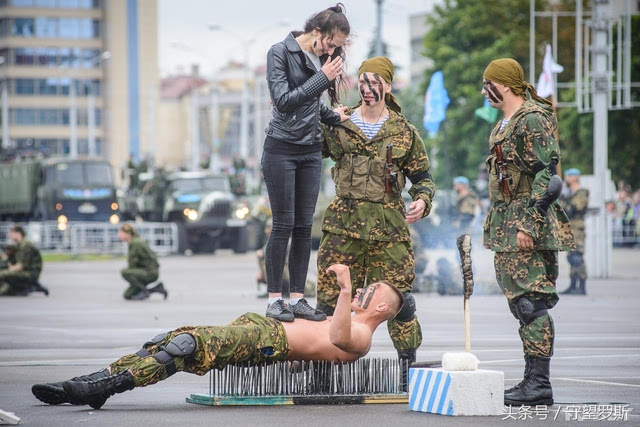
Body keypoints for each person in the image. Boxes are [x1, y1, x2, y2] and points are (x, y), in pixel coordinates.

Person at [31, 264, 404, 410]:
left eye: (369, 292)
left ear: (382, 309)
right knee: (174, 344)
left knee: (188, 343)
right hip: (261, 329)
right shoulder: (351, 319)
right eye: (361, 288)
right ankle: (93, 382)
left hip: (267, 340)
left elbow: (338, 338)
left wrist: (343, 290)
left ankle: (107, 386)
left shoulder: (361, 336)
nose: (361, 292)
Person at [316, 56, 435, 378]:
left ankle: (407, 369)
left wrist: (423, 200)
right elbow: (306, 149)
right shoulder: (339, 123)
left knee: (400, 301)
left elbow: (423, 177)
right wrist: (315, 115)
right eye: (363, 82)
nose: (368, 89)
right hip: (343, 228)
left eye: (375, 83)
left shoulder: (404, 132)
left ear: (387, 85)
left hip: (389, 230)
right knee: (328, 301)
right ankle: (322, 370)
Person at [481, 58, 575, 406]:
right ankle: (531, 381)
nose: (484, 91)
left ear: (503, 85)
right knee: (520, 304)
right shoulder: (505, 122)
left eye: (487, 84)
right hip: (507, 219)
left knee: (531, 304)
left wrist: (528, 224)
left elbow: (547, 176)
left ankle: (539, 385)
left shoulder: (532, 117)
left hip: (525, 219)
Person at [262, 4, 351, 322]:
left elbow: (311, 106)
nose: (332, 50)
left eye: (337, 46)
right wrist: (322, 78)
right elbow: (285, 102)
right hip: (281, 149)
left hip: (311, 151)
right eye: (330, 43)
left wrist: (335, 115)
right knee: (283, 225)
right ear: (316, 32)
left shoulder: (324, 58)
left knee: (303, 227)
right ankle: (275, 299)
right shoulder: (280, 52)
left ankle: (298, 298)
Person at [118, 224, 167, 301]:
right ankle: (157, 288)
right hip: (148, 271)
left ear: (127, 233)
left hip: (149, 272)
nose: (119, 235)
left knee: (125, 272)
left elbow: (133, 262)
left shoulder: (134, 243)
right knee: (127, 295)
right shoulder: (137, 240)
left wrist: (133, 275)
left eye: (121, 233)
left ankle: (144, 291)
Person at [559, 168, 589, 295]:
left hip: (577, 228)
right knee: (571, 256)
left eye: (568, 176)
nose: (566, 178)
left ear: (575, 177)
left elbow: (573, 208)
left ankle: (581, 286)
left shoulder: (581, 193)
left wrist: (564, 201)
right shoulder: (570, 193)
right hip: (570, 228)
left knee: (577, 256)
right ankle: (572, 285)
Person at [0, 225, 48, 296]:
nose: (10, 235)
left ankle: (30, 286)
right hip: (26, 271)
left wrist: (10, 269)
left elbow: (22, 265)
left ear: (18, 233)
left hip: (30, 274)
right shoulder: (20, 244)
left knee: (2, 274)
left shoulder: (26, 245)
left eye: (12, 233)